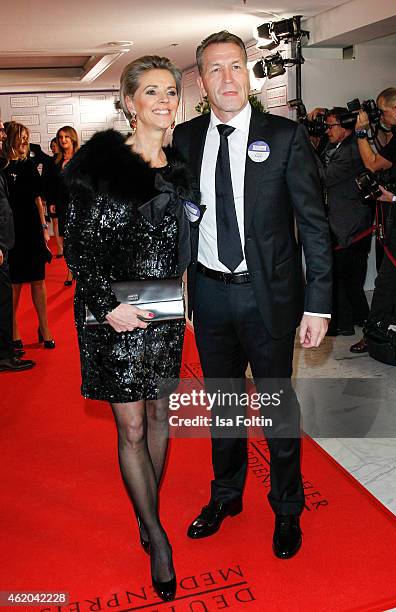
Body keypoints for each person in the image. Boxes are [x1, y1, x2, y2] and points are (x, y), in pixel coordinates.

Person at [173, 31, 332, 559]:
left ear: (247, 71)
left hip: (270, 299)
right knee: (223, 408)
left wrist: (318, 303)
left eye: (235, 66)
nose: (227, 79)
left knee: (277, 409)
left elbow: (313, 225)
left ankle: (287, 509)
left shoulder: (284, 137)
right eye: (215, 69)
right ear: (201, 80)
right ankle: (226, 497)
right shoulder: (187, 139)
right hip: (211, 297)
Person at [64, 55, 199, 602]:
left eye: (171, 91)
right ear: (128, 103)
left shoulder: (179, 166)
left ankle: (149, 515)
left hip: (164, 309)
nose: (165, 101)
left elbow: (179, 246)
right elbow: (78, 249)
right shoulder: (99, 165)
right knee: (134, 429)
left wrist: (185, 296)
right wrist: (103, 306)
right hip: (113, 315)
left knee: (161, 416)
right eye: (152, 93)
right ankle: (159, 538)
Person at [351, 97, 396, 353]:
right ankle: (375, 334)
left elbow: (372, 163)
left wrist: (361, 132)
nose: (394, 122)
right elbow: (378, 164)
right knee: (386, 282)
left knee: (389, 281)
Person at [2, 122, 55, 351]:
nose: (25, 141)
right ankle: (13, 329)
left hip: (32, 228)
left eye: (27, 137)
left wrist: (44, 227)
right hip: (12, 230)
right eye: (21, 137)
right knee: (14, 284)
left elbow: (37, 199)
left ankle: (44, 328)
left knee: (38, 280)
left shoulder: (29, 164)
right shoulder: (2, 166)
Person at [323, 108, 372, 336]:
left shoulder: (351, 151)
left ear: (345, 128)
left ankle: (350, 322)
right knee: (343, 278)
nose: (327, 131)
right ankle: (350, 320)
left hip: (352, 225)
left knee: (346, 278)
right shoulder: (337, 147)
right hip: (342, 222)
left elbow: (324, 176)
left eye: (331, 126)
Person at [0, 119, 35, 372]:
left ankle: (6, 351)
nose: (3, 134)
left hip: (7, 240)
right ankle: (4, 354)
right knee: (3, 300)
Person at [54, 126, 79, 285]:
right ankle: (70, 270)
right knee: (66, 242)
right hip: (63, 205)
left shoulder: (81, 158)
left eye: (66, 137)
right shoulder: (56, 161)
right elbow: (52, 185)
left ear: (72, 139)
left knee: (78, 239)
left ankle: (75, 272)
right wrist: (52, 202)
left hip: (79, 205)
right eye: (61, 137)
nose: (63, 140)